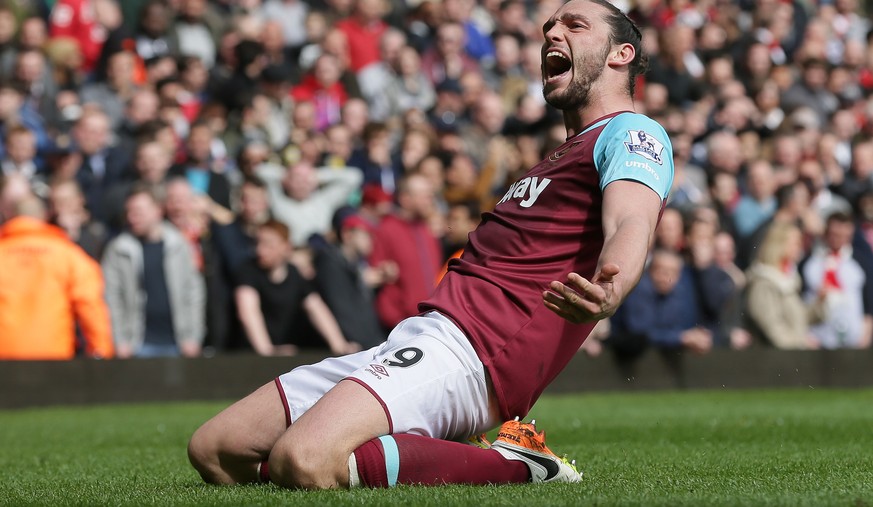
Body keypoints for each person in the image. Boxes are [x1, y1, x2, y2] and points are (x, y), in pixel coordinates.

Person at [188, 0, 671, 489]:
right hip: (421, 336)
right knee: (215, 448)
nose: (551, 32)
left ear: (621, 54)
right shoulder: (564, 152)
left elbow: (632, 219)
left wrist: (612, 283)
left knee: (306, 459)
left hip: (473, 355)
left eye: (575, 24)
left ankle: (518, 464)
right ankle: (426, 453)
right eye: (549, 25)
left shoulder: (632, 131)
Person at [0, 195, 113, 360]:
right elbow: (90, 305)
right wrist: (101, 351)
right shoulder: (67, 254)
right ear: (44, 217)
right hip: (54, 358)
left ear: (11, 217)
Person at [101, 183, 206, 358]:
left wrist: (193, 337)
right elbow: (111, 298)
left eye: (138, 212)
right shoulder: (119, 249)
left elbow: (194, 292)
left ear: (157, 210)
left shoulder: (179, 244)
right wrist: (120, 341)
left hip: (178, 343)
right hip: (136, 344)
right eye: (129, 212)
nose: (132, 217)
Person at [233, 219, 362, 356]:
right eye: (257, 243)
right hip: (249, 354)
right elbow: (247, 311)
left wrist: (339, 344)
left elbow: (316, 307)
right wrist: (266, 349)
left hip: (287, 350)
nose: (260, 250)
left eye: (268, 244)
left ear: (286, 247)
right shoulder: (247, 270)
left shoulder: (294, 273)